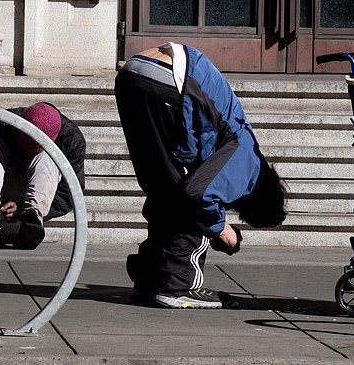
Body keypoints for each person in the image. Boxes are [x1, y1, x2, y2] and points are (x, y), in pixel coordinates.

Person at [114, 42, 287, 309]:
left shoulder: (242, 147)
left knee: (164, 190)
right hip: (169, 80)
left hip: (133, 74)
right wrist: (220, 228)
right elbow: (199, 195)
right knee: (193, 205)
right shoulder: (248, 165)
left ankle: (151, 280)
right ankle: (180, 286)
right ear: (256, 200)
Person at [0, 102, 86, 249]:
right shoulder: (5, 121)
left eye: (32, 149)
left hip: (34, 192)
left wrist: (22, 208)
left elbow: (70, 193)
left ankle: (32, 218)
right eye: (23, 145)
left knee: (52, 155)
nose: (26, 152)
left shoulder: (71, 139)